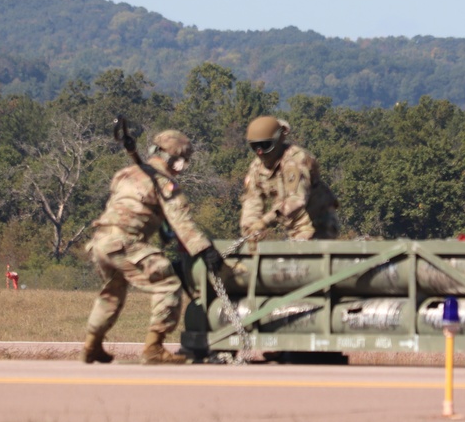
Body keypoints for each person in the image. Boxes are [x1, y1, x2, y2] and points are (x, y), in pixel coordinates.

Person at [83, 129, 223, 365]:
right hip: (126, 242)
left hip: (100, 242)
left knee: (111, 293)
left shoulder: (125, 174)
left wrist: (160, 225)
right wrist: (204, 249)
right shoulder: (164, 183)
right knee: (167, 282)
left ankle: (91, 345)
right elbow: (181, 219)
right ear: (176, 160)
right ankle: (153, 348)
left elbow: (132, 205)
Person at [239, 116, 339, 247]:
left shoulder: (296, 160)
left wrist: (264, 221)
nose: (260, 151)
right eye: (255, 146)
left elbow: (296, 201)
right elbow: (252, 200)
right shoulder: (256, 168)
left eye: (265, 145)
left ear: (278, 140)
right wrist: (250, 227)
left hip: (317, 224)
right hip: (292, 226)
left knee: (301, 260)